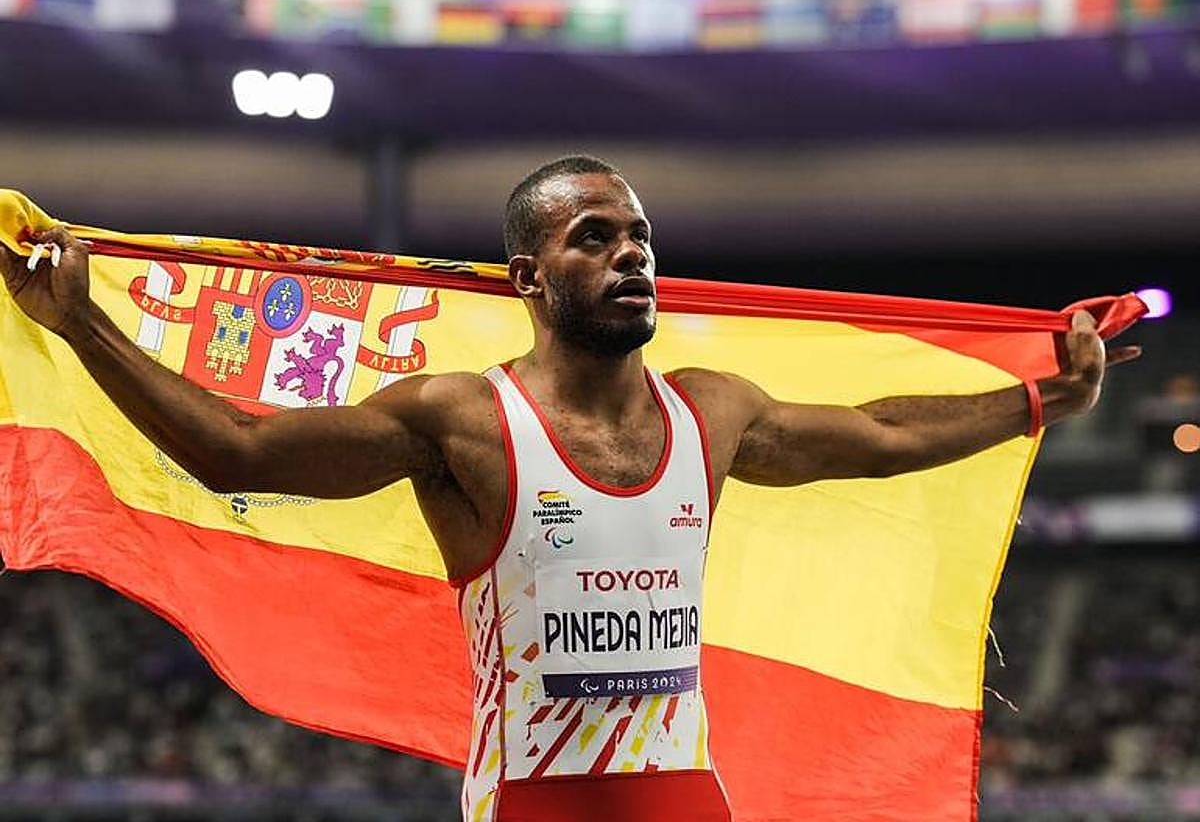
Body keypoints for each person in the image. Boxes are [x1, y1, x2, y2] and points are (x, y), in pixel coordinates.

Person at [0, 155, 1140, 821]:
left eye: (640, 235)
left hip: (689, 797)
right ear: (530, 277)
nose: (631, 253)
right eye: (595, 237)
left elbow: (882, 434)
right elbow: (243, 451)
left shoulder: (713, 409)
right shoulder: (464, 421)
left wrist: (1039, 402)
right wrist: (86, 324)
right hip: (539, 804)